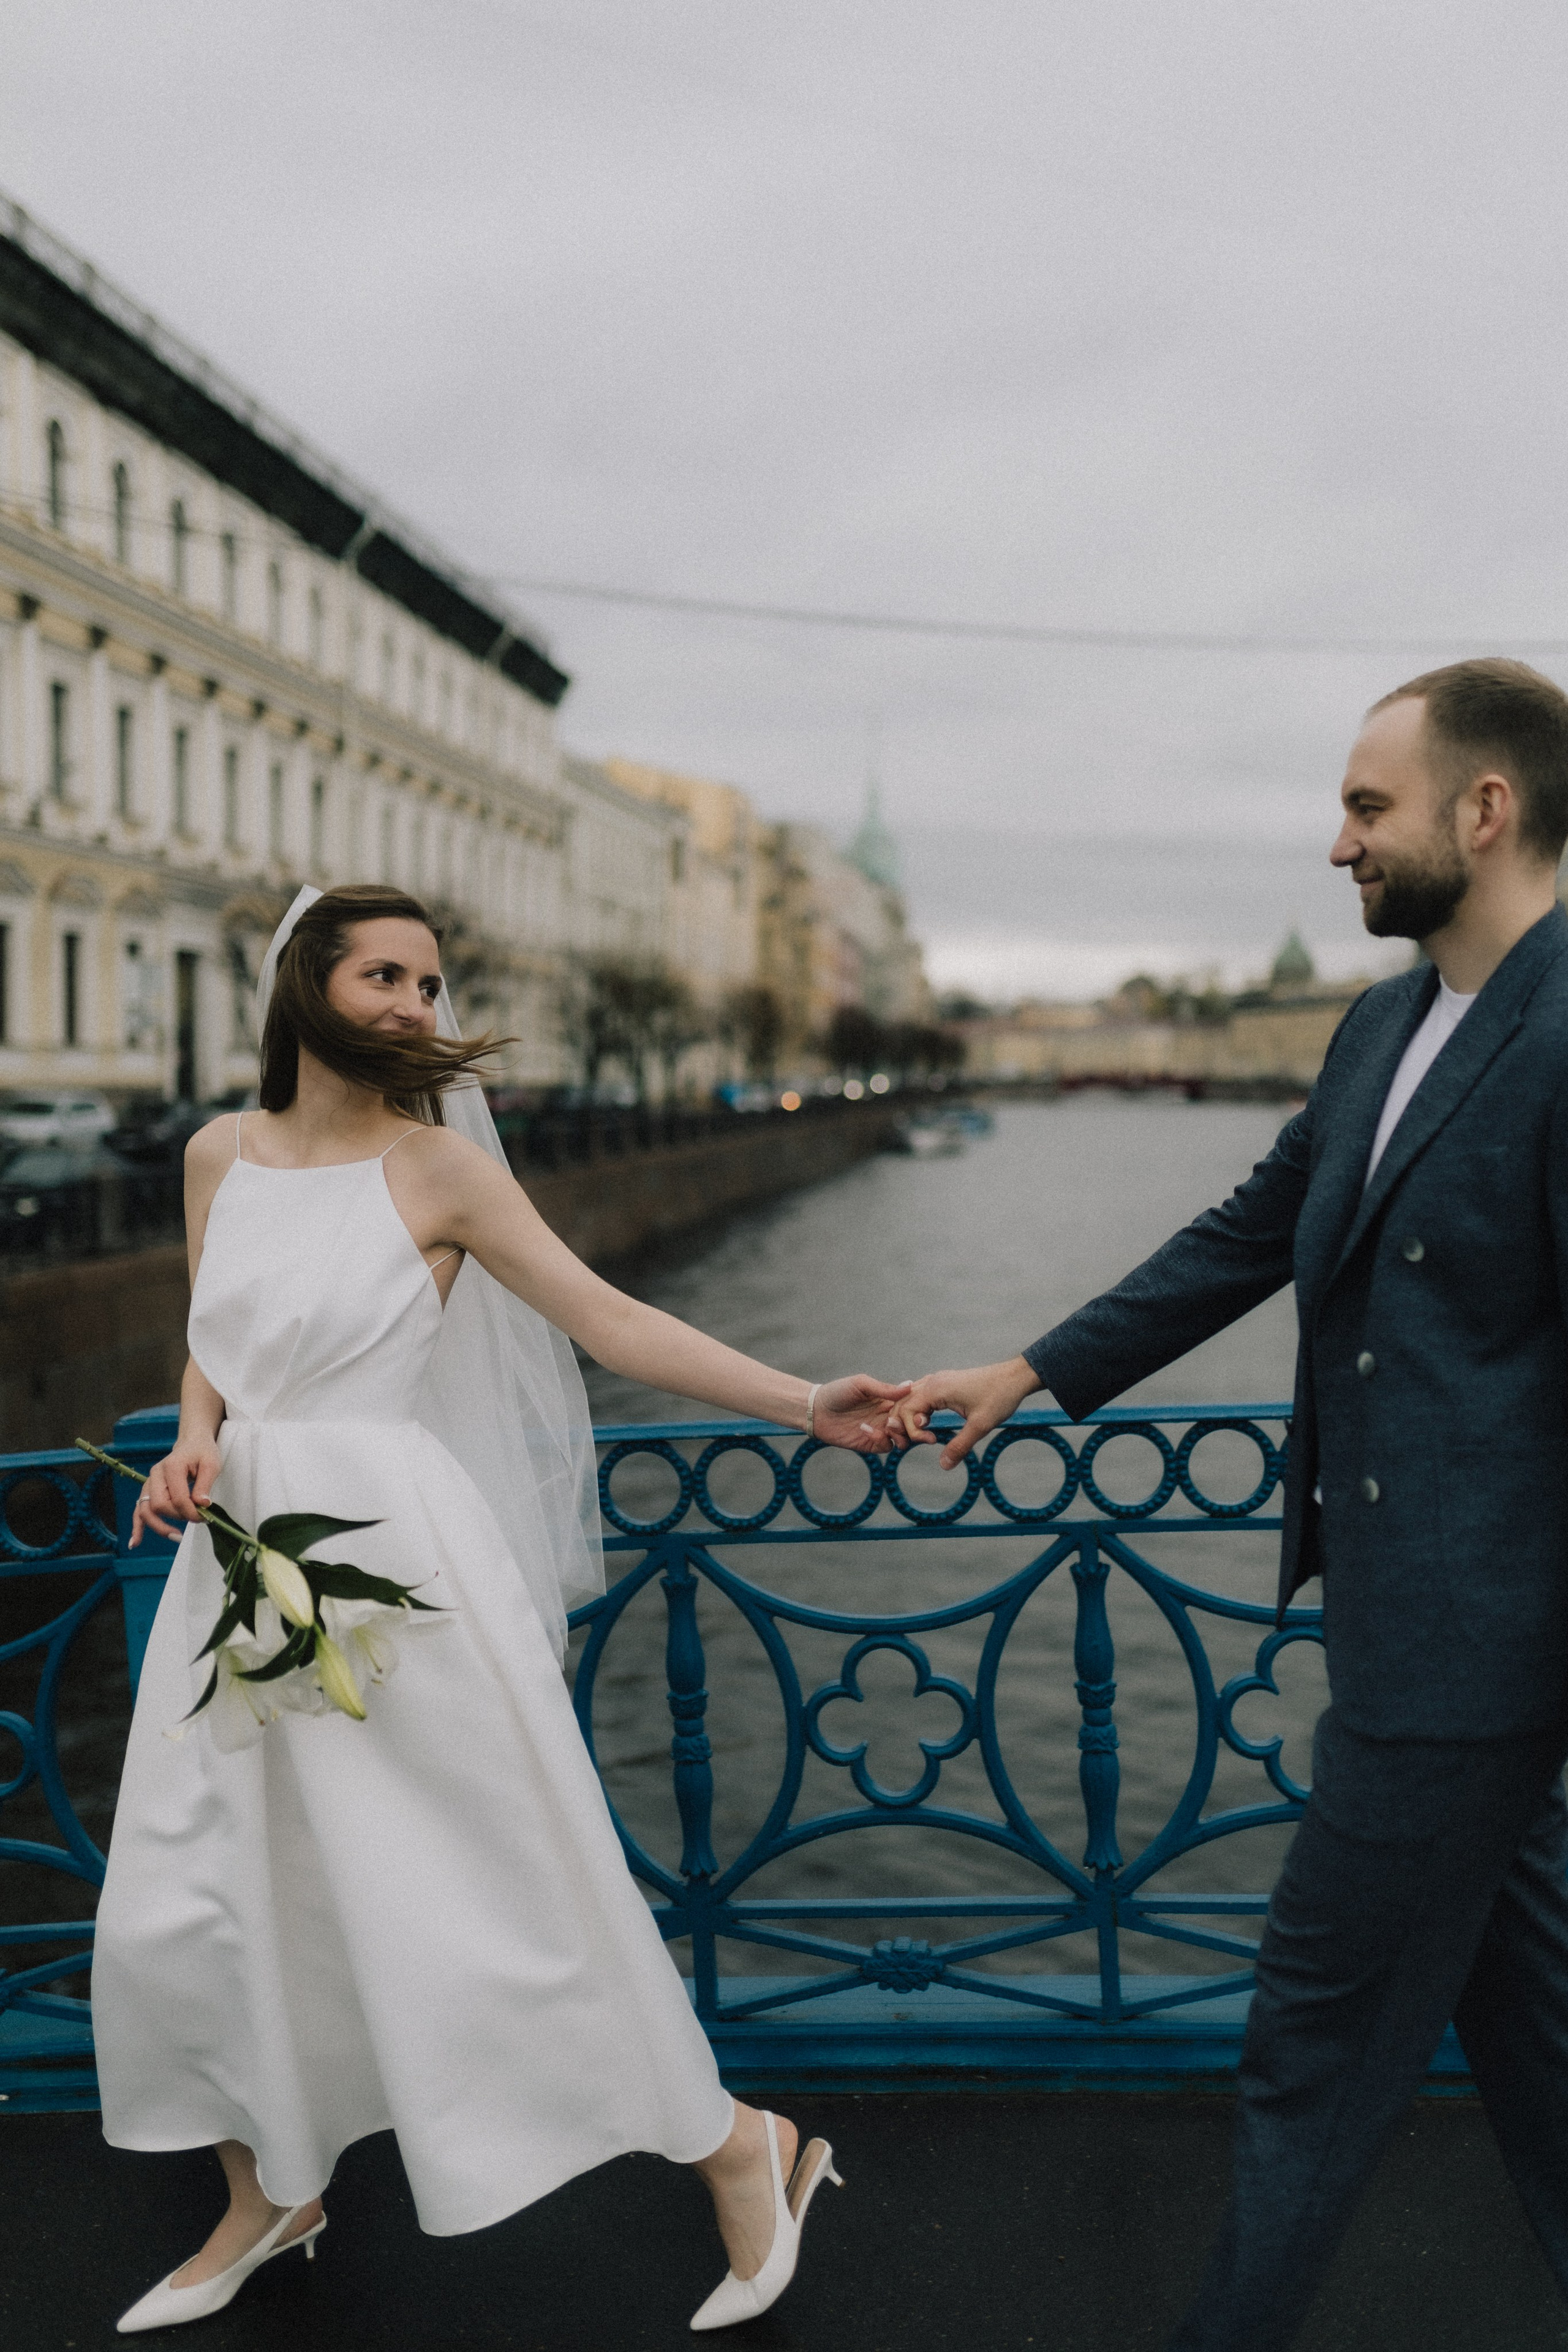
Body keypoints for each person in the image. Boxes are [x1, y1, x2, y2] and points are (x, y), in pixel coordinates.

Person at [94, 882, 902, 2336]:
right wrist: (192, 1431)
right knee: (204, 1883)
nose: (416, 1005)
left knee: (500, 1885)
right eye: (384, 978)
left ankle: (743, 2145)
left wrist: (806, 1404)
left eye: (427, 980)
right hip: (239, 1559)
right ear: (303, 987)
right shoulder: (219, 1154)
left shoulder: (441, 1176)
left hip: (399, 1565)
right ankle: (268, 2187)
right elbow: (213, 1331)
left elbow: (611, 1321)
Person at [889, 658, 1568, 2350]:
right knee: (1540, 2033)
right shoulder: (1389, 1023)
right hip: (1414, 1619)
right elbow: (1248, 1233)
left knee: (1310, 2051)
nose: (1335, 843)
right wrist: (1028, 1370)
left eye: (1365, 805)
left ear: (1484, 813)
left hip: (1475, 1648)